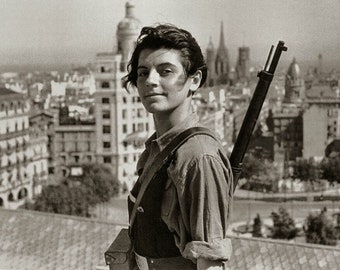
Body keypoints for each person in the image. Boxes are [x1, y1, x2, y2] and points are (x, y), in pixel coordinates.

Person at [123, 24, 233, 270]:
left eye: (165, 71)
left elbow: (210, 262)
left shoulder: (198, 156)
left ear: (194, 80)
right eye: (143, 73)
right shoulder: (158, 147)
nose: (150, 81)